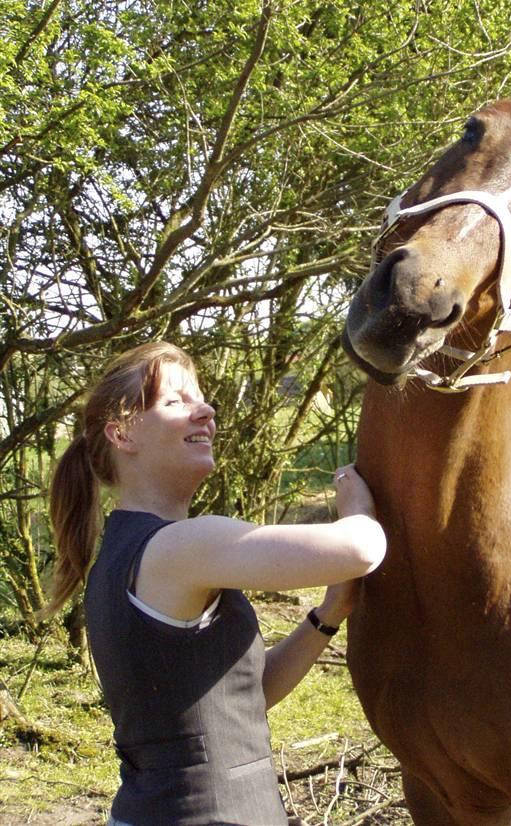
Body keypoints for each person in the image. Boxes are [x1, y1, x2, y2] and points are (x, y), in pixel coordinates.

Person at [45, 341, 386, 826]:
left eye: (201, 398)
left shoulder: (122, 555)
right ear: (121, 434)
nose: (205, 410)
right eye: (176, 401)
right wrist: (357, 499)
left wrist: (326, 616)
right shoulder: (182, 547)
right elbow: (361, 549)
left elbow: (242, 700)